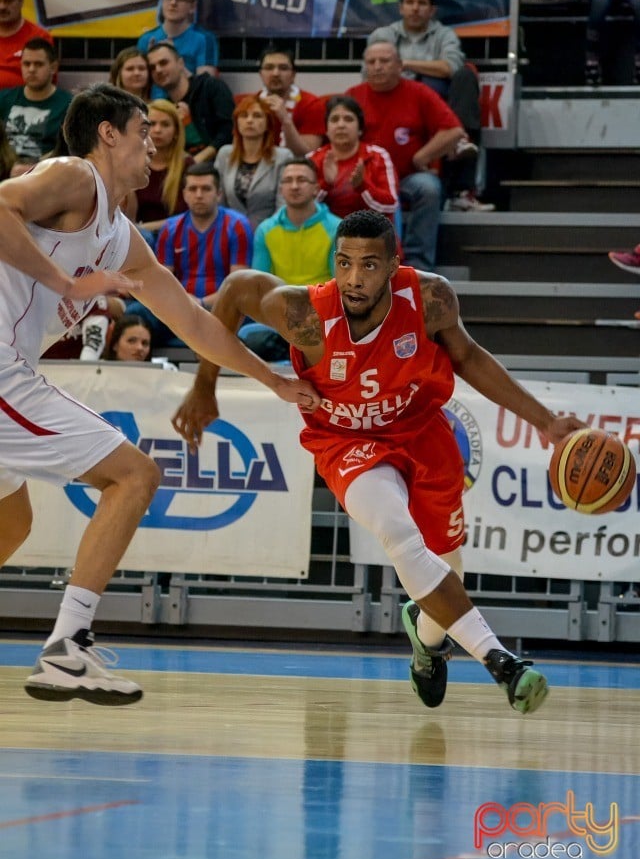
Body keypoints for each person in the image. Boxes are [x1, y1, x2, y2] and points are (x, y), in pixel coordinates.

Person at [173, 209, 585, 716]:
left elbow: (470, 358)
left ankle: (426, 639)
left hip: (421, 432)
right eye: (343, 263)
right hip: (345, 440)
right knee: (394, 528)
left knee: (447, 570)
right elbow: (235, 291)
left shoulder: (429, 299)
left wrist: (544, 422)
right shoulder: (308, 316)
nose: (352, 277)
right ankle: (502, 662)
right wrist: (205, 385)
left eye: (368, 265)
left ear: (394, 265)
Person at [0, 82, 318, 705]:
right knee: (136, 475)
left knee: (13, 522)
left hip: (13, 370)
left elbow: (198, 326)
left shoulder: (121, 237)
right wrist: (67, 281)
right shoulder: (75, 176)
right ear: (107, 134)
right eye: (143, 129)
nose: (153, 143)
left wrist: (274, 380)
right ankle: (68, 649)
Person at [367, 0, 494, 213]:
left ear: (432, 10)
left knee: (465, 75)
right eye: (410, 3)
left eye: (422, 3)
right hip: (394, 100)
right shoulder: (383, 35)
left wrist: (404, 64)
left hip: (435, 103)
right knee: (425, 80)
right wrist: (411, 71)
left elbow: (451, 67)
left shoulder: (444, 34)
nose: (415, 8)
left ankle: (460, 157)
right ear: (400, 7)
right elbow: (372, 74)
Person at [346, 42, 465, 271]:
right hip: (368, 179)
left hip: (407, 177)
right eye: (372, 62)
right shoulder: (353, 96)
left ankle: (418, 268)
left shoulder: (419, 93)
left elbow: (454, 130)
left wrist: (422, 157)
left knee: (429, 188)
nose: (378, 67)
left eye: (385, 61)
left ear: (400, 66)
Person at [127, 162, 254, 346]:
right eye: (193, 189)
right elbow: (162, 280)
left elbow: (238, 287)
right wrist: (185, 302)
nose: (199, 195)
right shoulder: (171, 228)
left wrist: (201, 303)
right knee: (136, 312)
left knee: (249, 319)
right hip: (178, 307)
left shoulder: (237, 226)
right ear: (184, 195)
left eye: (206, 189)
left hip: (221, 308)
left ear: (218, 194)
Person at [237, 158, 341, 362]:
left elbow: (340, 287)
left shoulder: (338, 229)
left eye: (302, 180)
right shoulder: (266, 230)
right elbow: (260, 290)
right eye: (288, 181)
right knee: (248, 337)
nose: (294, 186)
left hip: (323, 318)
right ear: (281, 188)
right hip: (279, 321)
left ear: (315, 188)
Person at [307, 95, 399, 222]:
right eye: (334, 119)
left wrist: (363, 186)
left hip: (370, 234)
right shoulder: (312, 159)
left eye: (348, 119)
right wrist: (325, 184)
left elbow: (390, 206)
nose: (341, 125)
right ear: (326, 130)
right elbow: (302, 208)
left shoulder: (378, 156)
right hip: (326, 236)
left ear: (360, 129)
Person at [146, 41, 233, 163]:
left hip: (219, 165)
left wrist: (196, 160)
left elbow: (229, 130)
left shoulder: (210, 86)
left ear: (181, 63)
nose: (158, 70)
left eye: (164, 63)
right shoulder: (165, 106)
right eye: (152, 67)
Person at [215, 95, 292, 230]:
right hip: (230, 233)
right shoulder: (224, 154)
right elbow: (218, 203)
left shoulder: (283, 157)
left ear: (268, 123)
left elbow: (283, 206)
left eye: (257, 116)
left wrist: (264, 234)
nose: (250, 120)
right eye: (244, 116)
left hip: (270, 232)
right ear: (237, 123)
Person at [0, 37, 73, 176]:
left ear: (53, 67)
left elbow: (69, 151)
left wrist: (34, 167)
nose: (31, 69)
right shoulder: (3, 99)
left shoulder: (69, 105)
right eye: (26, 64)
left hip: (45, 176)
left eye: (38, 64)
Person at [137, 0, 219, 97]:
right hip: (154, 107)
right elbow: (138, 84)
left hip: (190, 107)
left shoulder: (204, 39)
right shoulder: (147, 39)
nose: (173, 3)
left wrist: (172, 57)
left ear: (192, 7)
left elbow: (205, 87)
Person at [124, 98, 194, 239]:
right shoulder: (131, 163)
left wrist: (143, 228)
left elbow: (189, 217)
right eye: (152, 124)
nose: (157, 130)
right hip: (138, 236)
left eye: (165, 125)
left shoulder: (187, 165)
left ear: (176, 132)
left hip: (176, 236)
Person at [247, 45, 325, 155]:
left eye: (283, 68)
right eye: (269, 68)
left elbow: (307, 154)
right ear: (260, 74)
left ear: (293, 75)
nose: (275, 73)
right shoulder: (250, 104)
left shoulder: (311, 104)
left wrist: (285, 120)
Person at [0, 0, 54, 90]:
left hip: (24, 105)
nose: (2, 6)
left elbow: (47, 85)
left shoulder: (39, 37)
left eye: (8, 1)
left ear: (21, 1)